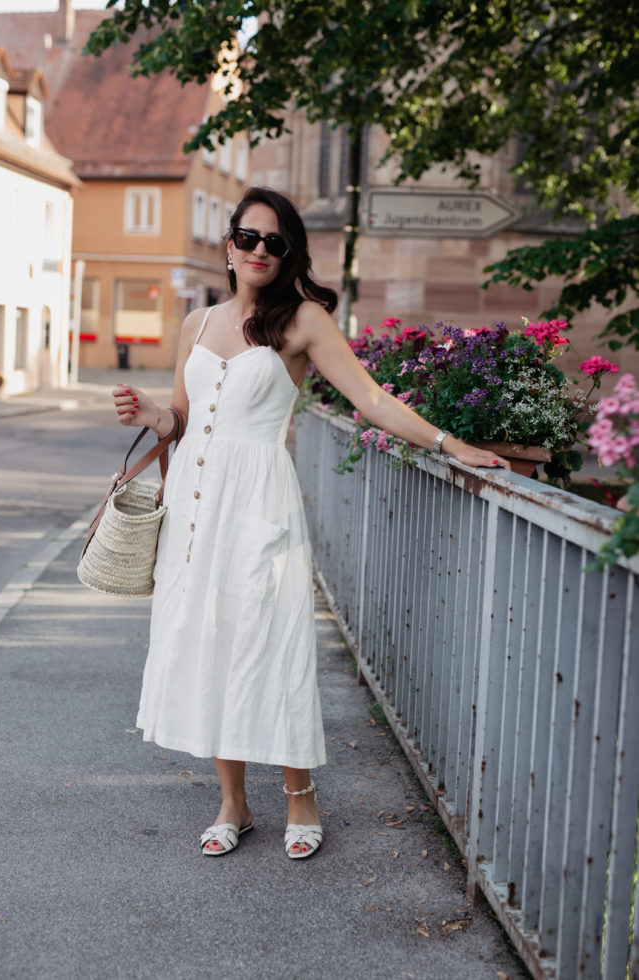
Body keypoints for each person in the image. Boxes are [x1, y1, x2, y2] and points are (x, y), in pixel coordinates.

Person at [112, 186, 510, 860]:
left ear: (289, 253)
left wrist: (449, 444)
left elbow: (372, 400)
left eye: (275, 242)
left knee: (266, 642)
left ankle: (300, 796)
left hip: (259, 503)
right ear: (229, 246)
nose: (260, 250)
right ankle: (232, 802)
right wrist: (156, 417)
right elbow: (182, 417)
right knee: (206, 640)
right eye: (248, 238)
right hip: (193, 508)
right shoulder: (196, 325)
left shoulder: (304, 321)